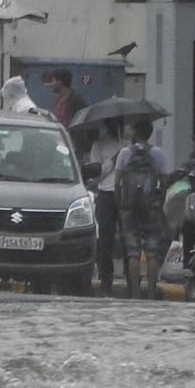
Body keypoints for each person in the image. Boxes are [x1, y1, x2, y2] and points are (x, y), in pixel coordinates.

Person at [114, 119, 171, 300]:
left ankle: (136, 295)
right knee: (152, 253)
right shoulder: (158, 154)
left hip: (130, 209)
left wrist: (121, 203)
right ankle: (152, 293)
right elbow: (165, 181)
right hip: (151, 208)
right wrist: (158, 201)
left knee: (133, 253)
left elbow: (117, 182)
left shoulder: (124, 153)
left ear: (137, 133)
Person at [86, 119, 127, 296]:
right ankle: (106, 281)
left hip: (125, 194)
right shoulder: (99, 145)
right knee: (105, 241)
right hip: (106, 194)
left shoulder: (127, 144)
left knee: (127, 239)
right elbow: (97, 175)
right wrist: (114, 160)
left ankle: (131, 280)